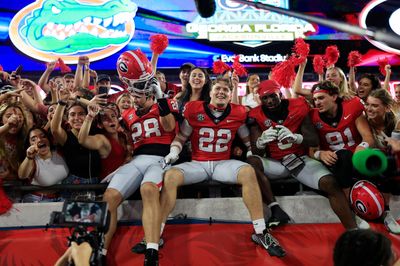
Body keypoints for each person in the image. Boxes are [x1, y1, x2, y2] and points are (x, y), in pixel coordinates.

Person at [157, 77, 286, 262]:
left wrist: (252, 151)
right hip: (198, 163)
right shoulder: (194, 109)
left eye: (226, 90)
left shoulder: (238, 112)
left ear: (231, 94)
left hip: (223, 164)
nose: (221, 92)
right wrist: (173, 152)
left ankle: (260, 232)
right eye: (217, 88)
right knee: (170, 176)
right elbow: (181, 136)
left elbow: (247, 140)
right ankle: (156, 232)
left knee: (248, 172)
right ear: (210, 92)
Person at [247, 79, 358, 230]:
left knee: (330, 183)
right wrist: (261, 142)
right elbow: (256, 151)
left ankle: (353, 229)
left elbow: (313, 140)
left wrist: (296, 137)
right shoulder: (256, 114)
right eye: (265, 98)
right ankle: (275, 209)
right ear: (260, 99)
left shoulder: (298, 105)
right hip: (276, 162)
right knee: (252, 161)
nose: (270, 101)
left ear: (280, 93)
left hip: (300, 158)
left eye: (273, 96)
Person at [101, 80, 178, 265]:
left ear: (150, 94)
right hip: (137, 159)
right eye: (132, 95)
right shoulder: (127, 114)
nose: (134, 99)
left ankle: (151, 251)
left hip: (160, 158)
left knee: (149, 190)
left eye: (138, 95)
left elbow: (169, 127)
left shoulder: (163, 105)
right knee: (109, 197)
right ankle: (101, 251)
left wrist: (161, 99)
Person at [309, 80, 375, 228]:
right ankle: (350, 210)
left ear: (334, 97)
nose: (317, 102)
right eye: (314, 99)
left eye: (321, 98)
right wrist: (321, 154)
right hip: (335, 162)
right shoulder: (312, 116)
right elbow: (311, 150)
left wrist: (362, 148)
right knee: (343, 157)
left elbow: (368, 138)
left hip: (357, 157)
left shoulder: (352, 106)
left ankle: (385, 212)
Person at [364, 89, 400, 233]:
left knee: (391, 157)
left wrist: (394, 143)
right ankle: (385, 211)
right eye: (368, 105)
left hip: (390, 166)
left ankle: (386, 212)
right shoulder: (362, 120)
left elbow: (397, 148)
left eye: (374, 105)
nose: (369, 109)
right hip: (369, 162)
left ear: (387, 107)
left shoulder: (397, 122)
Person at [78, 103, 130, 180]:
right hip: (108, 183)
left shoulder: (122, 136)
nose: (111, 120)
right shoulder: (102, 139)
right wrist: (90, 116)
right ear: (100, 125)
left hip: (126, 178)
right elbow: (82, 140)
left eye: (113, 116)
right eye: (105, 118)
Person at [18, 127, 68, 202]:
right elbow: (22, 175)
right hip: (38, 200)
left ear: (48, 139)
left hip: (61, 197)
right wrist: (29, 157)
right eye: (33, 139)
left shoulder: (58, 153)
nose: (39, 140)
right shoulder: (32, 160)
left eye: (43, 136)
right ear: (29, 144)